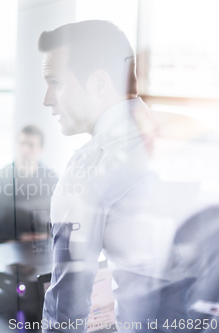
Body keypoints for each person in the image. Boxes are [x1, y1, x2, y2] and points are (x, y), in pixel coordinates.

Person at [38, 20, 217, 332]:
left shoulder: (86, 170)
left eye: (56, 83)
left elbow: (66, 309)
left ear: (98, 84)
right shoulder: (197, 133)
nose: (47, 98)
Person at [0, 125, 58, 243]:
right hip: (8, 245)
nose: (25, 150)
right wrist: (16, 238)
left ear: (41, 149)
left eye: (31, 145)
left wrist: (46, 236)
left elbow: (59, 217)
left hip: (42, 245)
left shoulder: (52, 180)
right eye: (22, 143)